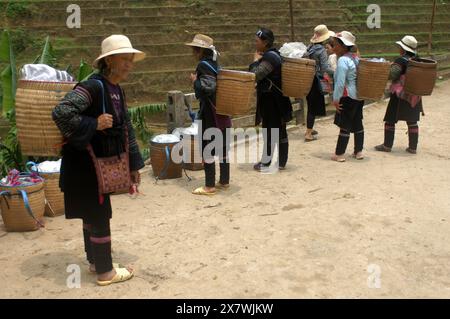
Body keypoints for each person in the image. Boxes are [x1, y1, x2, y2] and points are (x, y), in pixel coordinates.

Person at [52, 35, 145, 286]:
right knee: (98, 213)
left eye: (131, 60)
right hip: (85, 166)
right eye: (124, 59)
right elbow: (61, 112)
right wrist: (94, 123)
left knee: (91, 212)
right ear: (109, 61)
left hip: (97, 166)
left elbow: (126, 128)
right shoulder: (93, 87)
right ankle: (106, 272)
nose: (129, 64)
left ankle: (95, 262)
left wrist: (135, 164)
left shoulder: (116, 90)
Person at [186, 34, 232, 195]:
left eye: (194, 50)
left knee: (208, 148)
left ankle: (209, 186)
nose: (193, 53)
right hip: (222, 111)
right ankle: (224, 181)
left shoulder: (203, 66)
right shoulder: (214, 64)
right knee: (222, 148)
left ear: (199, 51)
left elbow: (208, 88)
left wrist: (194, 82)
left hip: (211, 114)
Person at [249, 28, 293, 172]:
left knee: (270, 131)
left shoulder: (270, 57)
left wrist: (255, 61)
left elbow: (255, 75)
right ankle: (281, 162)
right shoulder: (272, 55)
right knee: (279, 130)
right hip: (277, 100)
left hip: (272, 102)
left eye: (257, 41)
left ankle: (266, 163)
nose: (255, 43)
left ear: (265, 42)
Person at [375, 35, 423, 154]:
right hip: (415, 94)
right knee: (412, 121)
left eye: (400, 47)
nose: (399, 49)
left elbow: (392, 75)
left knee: (390, 119)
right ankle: (413, 148)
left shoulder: (401, 60)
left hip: (400, 95)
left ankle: (387, 145)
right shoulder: (418, 59)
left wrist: (388, 68)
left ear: (404, 49)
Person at [331, 31, 365, 162]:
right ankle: (359, 151)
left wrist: (336, 99)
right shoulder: (355, 58)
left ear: (343, 46)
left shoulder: (343, 60)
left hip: (347, 96)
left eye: (335, 45)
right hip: (358, 96)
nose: (333, 47)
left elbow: (340, 83)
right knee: (357, 123)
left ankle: (339, 153)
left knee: (344, 124)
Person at [304, 25, 335, 141]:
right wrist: (336, 72)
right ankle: (308, 133)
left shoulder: (310, 47)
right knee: (313, 107)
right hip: (315, 80)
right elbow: (325, 68)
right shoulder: (321, 50)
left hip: (307, 78)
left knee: (310, 104)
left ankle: (310, 128)